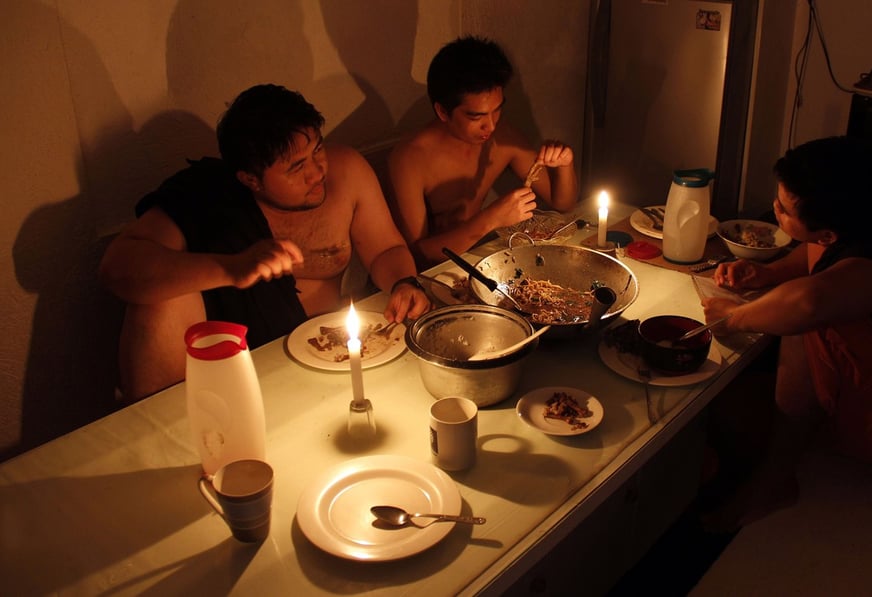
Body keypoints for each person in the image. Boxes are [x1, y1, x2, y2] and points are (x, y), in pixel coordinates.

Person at [100, 84, 431, 401]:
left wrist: (403, 282)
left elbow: (386, 249)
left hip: (335, 354)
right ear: (250, 180)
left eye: (317, 149)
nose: (316, 173)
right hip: (252, 366)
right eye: (296, 167)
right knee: (158, 298)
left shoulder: (347, 172)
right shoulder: (209, 200)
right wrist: (231, 268)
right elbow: (117, 268)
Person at [700, 136, 872, 528]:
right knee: (731, 412)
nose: (774, 211)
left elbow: (808, 304)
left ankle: (774, 484)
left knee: (806, 318)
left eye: (784, 211)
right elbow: (821, 255)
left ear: (825, 232)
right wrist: (769, 273)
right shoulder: (861, 210)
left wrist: (733, 317)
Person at [387, 36, 579, 267]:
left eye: (497, 110)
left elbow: (563, 203)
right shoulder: (410, 158)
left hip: (474, 264)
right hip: (427, 279)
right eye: (475, 116)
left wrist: (565, 164)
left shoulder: (502, 137)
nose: (491, 125)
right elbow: (414, 255)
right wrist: (490, 220)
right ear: (443, 111)